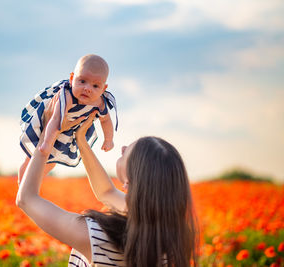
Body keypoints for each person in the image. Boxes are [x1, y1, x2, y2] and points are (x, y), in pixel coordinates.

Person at [16, 111, 199, 267]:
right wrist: (82, 141)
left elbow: (26, 199)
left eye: (129, 152)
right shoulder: (174, 234)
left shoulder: (97, 236)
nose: (123, 148)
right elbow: (107, 193)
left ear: (130, 181)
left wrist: (49, 134)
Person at [18, 54, 118, 183]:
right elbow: (54, 119)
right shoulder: (67, 95)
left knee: (52, 161)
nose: (87, 88)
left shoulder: (100, 103)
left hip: (68, 131)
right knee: (31, 157)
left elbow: (105, 120)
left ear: (104, 88)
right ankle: (22, 183)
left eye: (95, 86)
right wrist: (47, 143)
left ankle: (30, 184)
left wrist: (109, 139)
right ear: (72, 79)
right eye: (82, 81)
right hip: (47, 125)